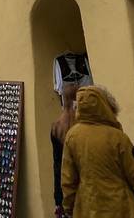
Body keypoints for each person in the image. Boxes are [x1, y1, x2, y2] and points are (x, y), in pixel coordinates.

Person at [61, 85, 134, 217]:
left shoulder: (73, 136)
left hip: (88, 207)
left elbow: (68, 180)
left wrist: (68, 208)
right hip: (122, 207)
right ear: (106, 105)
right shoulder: (117, 137)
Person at [50, 82, 78, 217]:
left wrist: (58, 199)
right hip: (81, 184)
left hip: (64, 183)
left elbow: (57, 163)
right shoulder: (82, 125)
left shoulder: (57, 127)